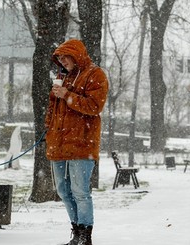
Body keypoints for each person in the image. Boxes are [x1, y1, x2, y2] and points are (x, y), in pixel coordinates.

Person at [45, 39, 109, 245]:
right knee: (63, 191)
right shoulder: (61, 77)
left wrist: (68, 95)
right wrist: (49, 130)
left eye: (65, 57)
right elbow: (51, 109)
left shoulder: (95, 74)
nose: (62, 61)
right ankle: (76, 231)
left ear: (76, 54)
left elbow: (94, 106)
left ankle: (85, 236)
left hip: (82, 144)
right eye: (59, 59)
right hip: (58, 144)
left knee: (80, 192)